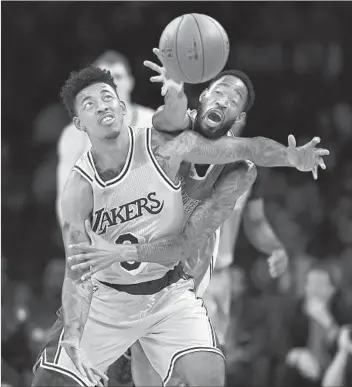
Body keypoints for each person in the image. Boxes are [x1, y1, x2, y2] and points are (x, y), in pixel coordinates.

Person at [32, 65, 328, 387]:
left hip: (183, 269)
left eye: (234, 98)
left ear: (239, 117)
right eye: (219, 91)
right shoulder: (170, 133)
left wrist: (291, 157)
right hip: (118, 272)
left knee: (172, 373)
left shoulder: (238, 169)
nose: (225, 99)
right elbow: (170, 113)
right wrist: (174, 90)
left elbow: (246, 169)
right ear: (202, 97)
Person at [56, 50, 155, 224]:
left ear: (130, 83)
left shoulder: (152, 123)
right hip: (100, 232)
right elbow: (65, 202)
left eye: (118, 76)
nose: (113, 84)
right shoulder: (74, 134)